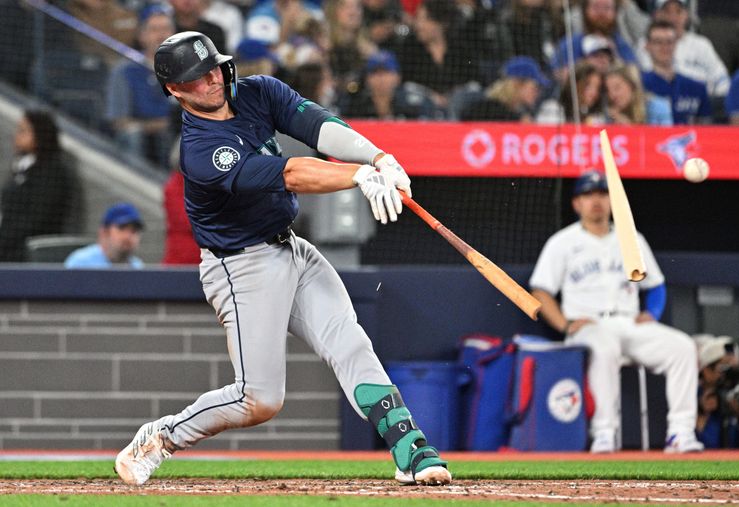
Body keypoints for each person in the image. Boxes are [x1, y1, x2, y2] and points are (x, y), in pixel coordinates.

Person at [114, 31, 451, 487]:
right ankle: (161, 437)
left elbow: (319, 127)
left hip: (291, 247)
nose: (212, 79)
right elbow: (291, 173)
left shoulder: (258, 92)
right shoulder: (200, 151)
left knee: (350, 342)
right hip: (240, 266)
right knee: (260, 399)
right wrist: (358, 176)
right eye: (197, 77)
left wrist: (379, 157)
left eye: (213, 67)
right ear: (175, 90)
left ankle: (410, 447)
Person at [528, 170, 703, 453]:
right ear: (576, 204)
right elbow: (540, 291)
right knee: (604, 346)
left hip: (628, 322)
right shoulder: (562, 242)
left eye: (602, 194)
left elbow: (656, 285)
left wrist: (653, 313)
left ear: (613, 200)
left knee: (682, 347)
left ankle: (681, 433)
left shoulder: (631, 238)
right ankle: (604, 433)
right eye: (588, 195)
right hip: (589, 326)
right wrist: (564, 325)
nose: (596, 200)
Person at [0, 110, 83, 262]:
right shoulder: (21, 167)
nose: (17, 136)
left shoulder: (54, 172)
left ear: (40, 134)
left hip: (31, 252)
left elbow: (38, 219)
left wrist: (4, 237)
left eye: (23, 131)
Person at [105, 4, 177, 167]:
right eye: (154, 30)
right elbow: (119, 121)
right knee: (133, 134)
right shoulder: (124, 70)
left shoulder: (188, 70)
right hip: (141, 138)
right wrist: (156, 125)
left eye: (166, 29)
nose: (161, 35)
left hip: (175, 136)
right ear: (142, 36)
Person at [635, 0, 729, 98]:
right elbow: (656, 76)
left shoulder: (701, 44)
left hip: (703, 102)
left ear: (686, 15)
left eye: (678, 11)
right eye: (667, 12)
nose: (673, 17)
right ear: (657, 15)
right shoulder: (647, 44)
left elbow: (722, 78)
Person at [695, 335, 739, 449]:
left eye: (734, 368)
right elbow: (698, 450)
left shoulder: (738, 396)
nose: (730, 374)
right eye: (724, 368)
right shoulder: (691, 398)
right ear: (706, 370)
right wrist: (702, 414)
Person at [641, 20, 711, 125]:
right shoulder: (637, 85)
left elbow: (707, 131)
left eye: (669, 42)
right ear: (647, 46)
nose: (664, 47)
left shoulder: (696, 88)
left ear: (676, 44)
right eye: (658, 42)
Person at [338, 50, 439, 119]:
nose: (381, 78)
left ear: (398, 77)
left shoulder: (413, 103)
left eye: (386, 72)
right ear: (367, 78)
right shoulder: (355, 104)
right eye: (375, 72)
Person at [459, 56, 555, 122]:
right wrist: (518, 121)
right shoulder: (484, 109)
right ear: (517, 84)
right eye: (535, 87)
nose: (538, 93)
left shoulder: (520, 113)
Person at [64, 202, 145, 269]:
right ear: (104, 232)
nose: (128, 236)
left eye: (134, 231)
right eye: (122, 228)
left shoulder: (138, 266)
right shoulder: (81, 263)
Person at [604, 63, 672, 125]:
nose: (612, 95)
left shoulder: (659, 107)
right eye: (608, 90)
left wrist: (629, 128)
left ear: (632, 86)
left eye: (617, 88)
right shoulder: (610, 115)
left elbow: (668, 137)